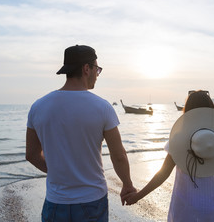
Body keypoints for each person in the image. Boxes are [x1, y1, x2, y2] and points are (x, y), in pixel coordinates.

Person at [26, 45, 136, 222]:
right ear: (87, 69)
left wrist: (57, 172)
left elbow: (31, 154)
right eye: (97, 69)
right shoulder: (102, 107)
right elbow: (119, 155)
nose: (97, 75)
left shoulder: (38, 107)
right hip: (92, 200)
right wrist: (128, 185)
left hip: (55, 202)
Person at [123, 90, 214, 222]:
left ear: (188, 112)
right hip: (213, 209)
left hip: (184, 209)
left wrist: (137, 196)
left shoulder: (179, 140)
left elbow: (163, 174)